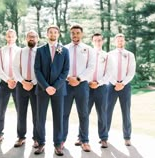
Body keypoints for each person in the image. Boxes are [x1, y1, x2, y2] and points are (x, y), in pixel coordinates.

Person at [34, 25, 69, 156]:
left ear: (58, 34)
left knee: (58, 117)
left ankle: (58, 144)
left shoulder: (64, 50)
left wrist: (54, 87)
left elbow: (66, 71)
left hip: (58, 90)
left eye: (55, 32)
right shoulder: (40, 50)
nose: (53, 34)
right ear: (47, 34)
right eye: (50, 32)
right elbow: (37, 70)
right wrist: (46, 86)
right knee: (40, 117)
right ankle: (41, 143)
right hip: (43, 89)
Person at [63, 24, 95, 152]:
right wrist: (69, 78)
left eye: (77, 33)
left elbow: (91, 67)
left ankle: (84, 140)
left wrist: (79, 79)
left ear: (82, 34)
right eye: (73, 33)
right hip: (66, 84)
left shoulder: (88, 49)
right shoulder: (64, 49)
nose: (75, 35)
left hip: (82, 85)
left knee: (83, 114)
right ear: (70, 34)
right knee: (64, 114)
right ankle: (61, 140)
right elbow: (60, 67)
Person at [107, 33, 136, 146]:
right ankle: (104, 136)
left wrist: (122, 83)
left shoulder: (130, 55)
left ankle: (127, 137)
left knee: (126, 112)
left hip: (125, 86)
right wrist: (115, 83)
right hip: (111, 85)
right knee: (107, 111)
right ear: (115, 42)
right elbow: (108, 71)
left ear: (124, 41)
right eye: (118, 40)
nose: (120, 42)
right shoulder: (109, 55)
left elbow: (131, 71)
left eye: (122, 40)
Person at [0, 29, 21, 143]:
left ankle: (20, 135)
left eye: (12, 36)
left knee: (20, 110)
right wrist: (8, 80)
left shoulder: (20, 51)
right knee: (0, 109)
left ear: (16, 37)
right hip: (4, 83)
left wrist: (15, 79)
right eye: (8, 36)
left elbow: (21, 67)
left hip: (18, 82)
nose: (10, 38)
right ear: (5, 37)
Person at [12, 30, 39, 148]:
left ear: (37, 39)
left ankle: (37, 138)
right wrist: (23, 82)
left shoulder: (40, 52)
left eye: (33, 37)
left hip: (36, 85)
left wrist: (32, 82)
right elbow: (15, 67)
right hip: (21, 85)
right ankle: (21, 137)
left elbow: (42, 70)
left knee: (36, 114)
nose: (31, 38)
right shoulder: (20, 52)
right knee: (21, 112)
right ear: (26, 39)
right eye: (29, 37)